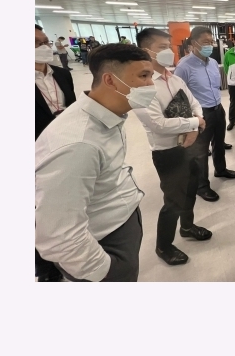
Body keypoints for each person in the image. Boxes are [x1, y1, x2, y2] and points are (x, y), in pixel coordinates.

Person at [35, 44, 156, 282]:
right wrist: (105, 272)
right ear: (110, 80)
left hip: (117, 224)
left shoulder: (107, 116)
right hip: (104, 245)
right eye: (144, 76)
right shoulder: (77, 144)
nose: (151, 84)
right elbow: (59, 235)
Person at [133, 28, 212, 266]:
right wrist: (194, 123)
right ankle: (163, 246)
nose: (168, 51)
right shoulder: (141, 86)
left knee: (190, 190)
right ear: (145, 51)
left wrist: (195, 122)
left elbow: (194, 102)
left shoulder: (175, 78)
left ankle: (187, 227)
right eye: (161, 47)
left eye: (169, 46)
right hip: (167, 152)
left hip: (190, 146)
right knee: (173, 200)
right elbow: (157, 124)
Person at [174, 26, 235, 202]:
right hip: (200, 115)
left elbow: (215, 88)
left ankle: (221, 170)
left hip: (218, 109)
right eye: (205, 42)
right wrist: (191, 119)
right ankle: (201, 186)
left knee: (219, 144)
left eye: (211, 42)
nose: (209, 45)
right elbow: (178, 96)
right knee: (200, 152)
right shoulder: (184, 67)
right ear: (193, 43)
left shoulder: (213, 63)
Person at [34, 24, 77, 282]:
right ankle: (46, 270)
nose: (44, 47)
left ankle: (69, 256)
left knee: (67, 205)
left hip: (65, 147)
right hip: (35, 154)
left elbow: (73, 109)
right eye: (36, 43)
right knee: (39, 213)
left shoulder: (61, 74)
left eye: (45, 41)